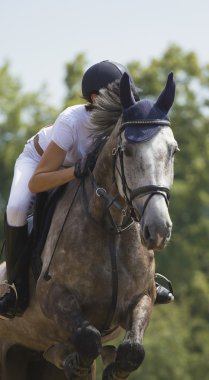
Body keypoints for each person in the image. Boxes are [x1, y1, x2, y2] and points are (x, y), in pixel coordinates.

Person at [0, 60, 173, 320]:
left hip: (83, 171)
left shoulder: (123, 123)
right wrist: (74, 172)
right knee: (15, 209)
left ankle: (144, 279)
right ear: (95, 98)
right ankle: (15, 286)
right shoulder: (72, 121)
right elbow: (38, 181)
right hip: (41, 164)